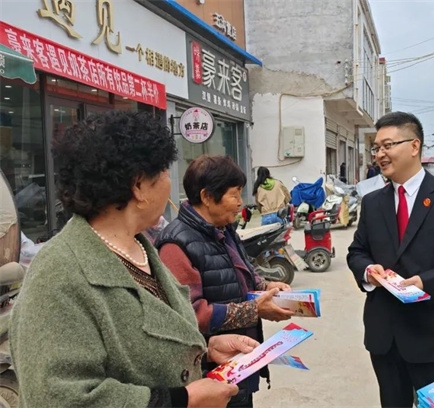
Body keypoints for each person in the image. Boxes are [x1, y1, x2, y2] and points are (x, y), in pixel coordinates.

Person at [9, 111, 258, 408]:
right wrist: (184, 400)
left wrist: (202, 350)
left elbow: (139, 344)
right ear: (139, 187)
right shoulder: (58, 274)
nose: (170, 184)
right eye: (165, 173)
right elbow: (58, 397)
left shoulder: (141, 248)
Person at [347, 111, 434, 408]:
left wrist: (426, 282)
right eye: (377, 147)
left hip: (433, 336)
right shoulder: (373, 203)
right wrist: (367, 272)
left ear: (414, 146)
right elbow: (357, 251)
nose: (380, 154)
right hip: (384, 337)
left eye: (388, 145)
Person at [156, 154, 294, 408]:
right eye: (235, 194)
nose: (241, 203)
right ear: (208, 197)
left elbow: (242, 273)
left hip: (240, 364)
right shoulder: (176, 244)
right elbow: (192, 314)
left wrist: (265, 287)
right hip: (210, 376)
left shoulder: (224, 228)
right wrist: (254, 310)